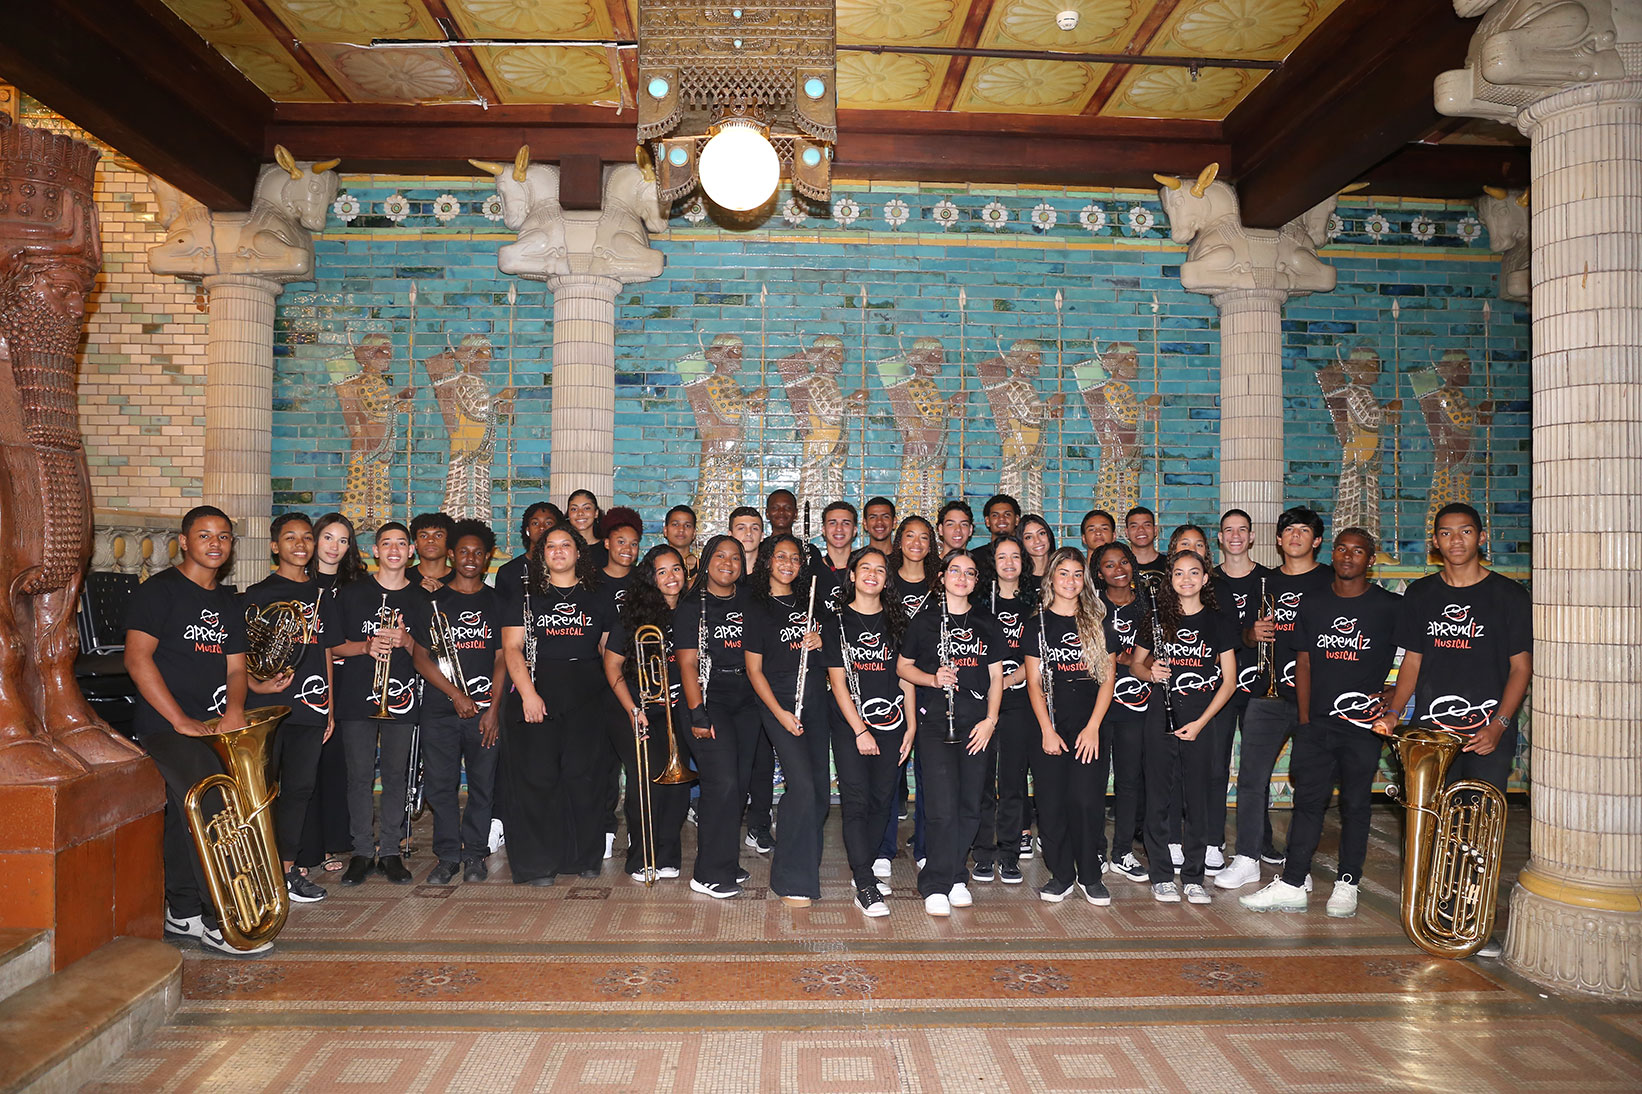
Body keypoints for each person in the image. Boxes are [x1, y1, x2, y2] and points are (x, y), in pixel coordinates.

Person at [1371, 503, 1530, 958]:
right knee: (1433, 826)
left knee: (1477, 830)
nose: (1455, 540)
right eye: (1446, 533)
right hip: (1431, 735)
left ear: (1481, 537)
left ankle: (1471, 918)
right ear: (1435, 541)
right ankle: (1433, 911)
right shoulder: (1421, 594)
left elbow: (1521, 668)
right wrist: (1395, 713)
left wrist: (1499, 725)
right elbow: (1412, 663)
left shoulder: (1508, 596)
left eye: (1465, 532)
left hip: (1485, 733)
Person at [126, 506, 271, 955]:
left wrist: (235, 710)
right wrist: (178, 719)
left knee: (183, 814)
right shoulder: (159, 591)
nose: (215, 543)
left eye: (223, 536)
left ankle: (183, 910)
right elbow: (137, 659)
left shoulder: (228, 602)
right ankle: (218, 920)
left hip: (214, 727)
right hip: (166, 726)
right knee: (212, 806)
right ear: (185, 541)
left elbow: (236, 669)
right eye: (204, 535)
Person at [1243, 527, 1398, 918]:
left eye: (1358, 551)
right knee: (1307, 804)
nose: (1348, 556)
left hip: (1362, 726)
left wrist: (1396, 697)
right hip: (1317, 724)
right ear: (1333, 553)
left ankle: (1348, 883)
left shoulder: (1388, 606)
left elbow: (1416, 655)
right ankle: (1293, 882)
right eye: (1342, 549)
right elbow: (1305, 662)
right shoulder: (1314, 602)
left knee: (1355, 805)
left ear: (1370, 559)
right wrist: (1306, 719)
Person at [331, 523, 472, 886]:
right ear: (375, 551)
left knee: (396, 776)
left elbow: (432, 652)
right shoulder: (352, 593)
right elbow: (331, 645)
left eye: (400, 544)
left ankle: (391, 851)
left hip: (403, 696)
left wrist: (407, 640)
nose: (394, 550)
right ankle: (362, 851)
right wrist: (365, 646)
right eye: (386, 543)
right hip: (356, 697)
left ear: (410, 552)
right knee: (359, 776)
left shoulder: (422, 598)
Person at [1216, 506, 1334, 892]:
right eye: (1289, 531)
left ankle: (1298, 867)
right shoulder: (1264, 581)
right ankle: (1247, 858)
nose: (1296, 536)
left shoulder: (1330, 580)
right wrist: (1252, 634)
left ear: (1317, 540)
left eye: (1304, 530)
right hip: (1267, 694)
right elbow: (1245, 635)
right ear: (1279, 540)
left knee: (1310, 784)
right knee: (1252, 779)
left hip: (1316, 698)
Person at [498, 525, 613, 885]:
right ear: (542, 554)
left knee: (584, 777)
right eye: (551, 546)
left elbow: (607, 650)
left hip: (588, 694)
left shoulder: (599, 595)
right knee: (538, 778)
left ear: (579, 553)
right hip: (538, 690)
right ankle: (537, 864)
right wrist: (528, 694)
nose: (559, 551)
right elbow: (512, 648)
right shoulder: (526, 594)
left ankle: (583, 857)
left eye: (566, 545)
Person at [242, 512, 342, 903]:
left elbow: (326, 651)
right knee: (263, 791)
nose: (300, 545)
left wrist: (329, 707)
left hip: (311, 706)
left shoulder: (321, 595)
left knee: (300, 789)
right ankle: (258, 870)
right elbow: (239, 656)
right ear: (274, 546)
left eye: (306, 538)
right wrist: (256, 684)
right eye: (290, 538)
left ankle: (287, 871)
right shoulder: (258, 593)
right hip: (267, 707)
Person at [897, 549, 1003, 917]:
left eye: (969, 573)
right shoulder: (924, 621)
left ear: (976, 581)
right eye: (955, 571)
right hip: (935, 722)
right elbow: (903, 667)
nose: (962, 578)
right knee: (941, 807)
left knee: (970, 805)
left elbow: (995, 677)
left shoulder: (987, 621)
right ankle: (935, 883)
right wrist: (932, 679)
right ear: (941, 577)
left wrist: (990, 720)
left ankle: (957, 874)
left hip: (977, 723)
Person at [1134, 548, 1238, 904]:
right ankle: (1162, 875)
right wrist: (1151, 672)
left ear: (1205, 578)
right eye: (1178, 573)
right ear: (1170, 579)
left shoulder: (1219, 622)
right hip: (1159, 717)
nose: (1186, 579)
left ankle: (1194, 876)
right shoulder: (1156, 619)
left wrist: (1200, 723)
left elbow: (1229, 682)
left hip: (1201, 719)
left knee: (1198, 800)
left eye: (1194, 572)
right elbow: (1135, 665)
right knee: (1158, 798)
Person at [825, 547, 915, 917]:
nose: (872, 574)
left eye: (880, 569)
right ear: (852, 574)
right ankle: (864, 882)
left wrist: (911, 724)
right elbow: (837, 682)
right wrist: (860, 730)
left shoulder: (898, 621)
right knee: (856, 801)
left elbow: (906, 676)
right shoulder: (836, 621)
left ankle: (867, 866)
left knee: (883, 800)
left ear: (886, 579)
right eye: (865, 568)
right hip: (851, 726)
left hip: (892, 723)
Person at [744, 535, 832, 907]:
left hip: (815, 701)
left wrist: (821, 642)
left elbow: (832, 657)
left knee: (821, 793)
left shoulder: (810, 603)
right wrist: (779, 714)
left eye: (795, 558)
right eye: (781, 556)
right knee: (803, 788)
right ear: (768, 561)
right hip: (779, 703)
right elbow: (754, 670)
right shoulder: (756, 607)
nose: (788, 564)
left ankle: (806, 867)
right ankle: (791, 880)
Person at [1027, 546, 1117, 906]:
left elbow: (1108, 680)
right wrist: (1046, 730)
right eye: (1063, 573)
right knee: (1051, 804)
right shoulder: (1037, 623)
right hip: (1050, 724)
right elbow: (1034, 683)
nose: (1070, 580)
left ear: (1085, 580)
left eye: (1077, 574)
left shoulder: (1099, 622)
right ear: (1051, 578)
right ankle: (1062, 875)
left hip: (1089, 724)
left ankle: (1090, 875)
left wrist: (1093, 726)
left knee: (1086, 801)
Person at [675, 535, 762, 898]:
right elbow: (687, 663)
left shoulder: (750, 600)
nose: (728, 563)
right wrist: (698, 712)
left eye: (735, 558)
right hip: (709, 698)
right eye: (720, 556)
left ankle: (726, 861)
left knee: (737, 785)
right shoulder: (691, 605)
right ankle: (707, 872)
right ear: (707, 561)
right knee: (721, 783)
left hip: (748, 697)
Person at [602, 545, 695, 883]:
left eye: (676, 569)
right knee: (648, 781)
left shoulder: (691, 612)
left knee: (677, 786)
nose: (671, 577)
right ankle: (641, 857)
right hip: (632, 709)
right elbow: (612, 665)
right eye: (662, 571)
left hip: (675, 710)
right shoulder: (634, 614)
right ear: (651, 578)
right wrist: (633, 709)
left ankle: (667, 855)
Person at [420, 520, 503, 885]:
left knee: (483, 785)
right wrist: (455, 694)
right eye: (464, 552)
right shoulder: (433, 600)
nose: (471, 558)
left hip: (484, 713)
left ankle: (475, 855)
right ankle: (448, 856)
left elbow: (503, 658)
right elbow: (420, 657)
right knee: (441, 785)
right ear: (452, 554)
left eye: (478, 553)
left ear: (488, 558)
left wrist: (493, 710)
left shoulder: (497, 602)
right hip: (440, 710)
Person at [295, 513, 363, 879]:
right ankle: (305, 847)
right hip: (306, 683)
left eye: (343, 540)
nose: (334, 546)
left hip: (346, 682)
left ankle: (333, 841)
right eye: (328, 537)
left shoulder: (357, 585)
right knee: (306, 769)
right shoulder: (298, 581)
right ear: (314, 539)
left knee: (337, 765)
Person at [1208, 508, 1271, 872]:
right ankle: (1213, 838)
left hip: (1259, 686)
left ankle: (1261, 839)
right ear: (1220, 538)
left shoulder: (1268, 578)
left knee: (1256, 769)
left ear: (1251, 537)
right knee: (1216, 766)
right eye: (1228, 530)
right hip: (1219, 685)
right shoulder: (1208, 580)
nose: (1235, 536)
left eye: (1242, 530)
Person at [1093, 542, 1153, 884]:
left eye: (1124, 562)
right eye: (1109, 564)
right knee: (1095, 779)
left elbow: (1155, 654)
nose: (1118, 569)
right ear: (1099, 573)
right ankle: (1095, 849)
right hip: (1097, 707)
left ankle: (1122, 852)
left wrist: (1128, 659)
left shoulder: (1148, 607)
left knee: (1130, 781)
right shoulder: (1091, 606)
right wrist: (1130, 659)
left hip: (1136, 705)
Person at [972, 535, 1031, 886]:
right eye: (1001, 557)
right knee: (981, 780)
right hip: (982, 703)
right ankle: (982, 852)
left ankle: (1009, 853)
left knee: (1012, 781)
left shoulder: (1033, 604)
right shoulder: (979, 604)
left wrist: (1006, 681)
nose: (1009, 563)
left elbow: (1036, 657)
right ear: (992, 563)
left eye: (1015, 556)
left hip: (1019, 703)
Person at [593, 507, 645, 860]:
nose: (627, 548)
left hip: (634, 682)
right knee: (604, 764)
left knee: (635, 761)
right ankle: (605, 829)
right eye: (621, 541)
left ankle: (640, 835)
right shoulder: (592, 582)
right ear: (608, 543)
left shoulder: (643, 581)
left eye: (634, 543)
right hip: (599, 681)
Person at [809, 500, 857, 606]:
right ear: (823, 530)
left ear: (854, 531)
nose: (839, 528)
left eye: (846, 523)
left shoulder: (864, 571)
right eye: (832, 523)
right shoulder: (810, 572)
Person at [972, 494, 1020, 577]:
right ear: (987, 521)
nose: (1001, 518)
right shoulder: (974, 558)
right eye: (995, 515)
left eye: (1007, 514)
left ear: (1016, 519)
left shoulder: (1026, 555)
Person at [406, 510, 455, 591]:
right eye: (424, 536)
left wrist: (445, 593)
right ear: (416, 543)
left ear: (449, 541)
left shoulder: (461, 579)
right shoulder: (403, 577)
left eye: (438, 535)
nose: (430, 540)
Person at [1125, 506, 1166, 593]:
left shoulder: (1170, 565)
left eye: (1147, 525)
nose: (1141, 529)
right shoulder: (1120, 567)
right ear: (1127, 533)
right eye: (1134, 526)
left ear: (1155, 530)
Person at [566, 489, 607, 568]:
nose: (580, 513)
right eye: (574, 509)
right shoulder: (563, 547)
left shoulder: (607, 548)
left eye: (586, 508)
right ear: (568, 514)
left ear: (596, 513)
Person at [1019, 514, 1056, 593]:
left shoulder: (1061, 574)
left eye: (1041, 533)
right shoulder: (1018, 579)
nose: (1037, 541)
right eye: (1028, 537)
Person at [663, 504, 700, 583]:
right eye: (675, 524)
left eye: (687, 525)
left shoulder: (704, 568)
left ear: (694, 533)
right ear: (665, 531)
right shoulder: (653, 565)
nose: (681, 529)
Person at [729, 506, 764, 577]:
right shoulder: (722, 577)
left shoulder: (771, 578)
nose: (748, 533)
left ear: (762, 536)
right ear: (730, 535)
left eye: (754, 528)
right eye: (741, 528)